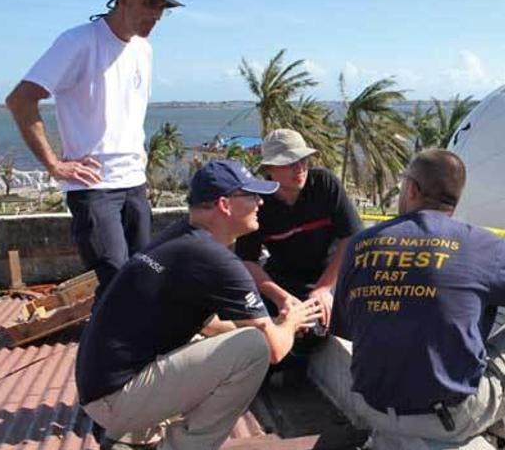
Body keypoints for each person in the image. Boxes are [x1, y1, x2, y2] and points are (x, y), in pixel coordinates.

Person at [330, 149, 505, 448]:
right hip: (447, 420)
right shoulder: (482, 245)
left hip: (372, 407)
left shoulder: (360, 244)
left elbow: (346, 329)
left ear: (412, 189)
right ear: (455, 198)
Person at [76, 160, 323, 450]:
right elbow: (274, 350)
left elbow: (207, 323)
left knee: (221, 337)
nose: (261, 203)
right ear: (224, 204)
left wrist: (249, 329)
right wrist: (292, 321)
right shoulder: (214, 258)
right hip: (115, 400)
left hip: (101, 389)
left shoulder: (180, 237)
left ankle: (137, 435)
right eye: (252, 196)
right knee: (254, 348)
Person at [5, 0, 183, 299]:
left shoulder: (143, 49)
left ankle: (139, 348)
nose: (157, 15)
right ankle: (106, 350)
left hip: (134, 183)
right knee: (116, 280)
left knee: (146, 274)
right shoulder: (78, 42)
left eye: (162, 8)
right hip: (95, 188)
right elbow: (20, 100)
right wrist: (55, 165)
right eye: (150, 4)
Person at [235, 129, 362, 349]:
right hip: (282, 280)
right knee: (252, 322)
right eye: (289, 162)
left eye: (303, 160)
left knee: (318, 326)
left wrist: (323, 288)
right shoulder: (259, 202)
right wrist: (280, 297)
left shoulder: (324, 184)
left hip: (329, 275)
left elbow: (351, 237)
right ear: (269, 169)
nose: (299, 168)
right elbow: (247, 261)